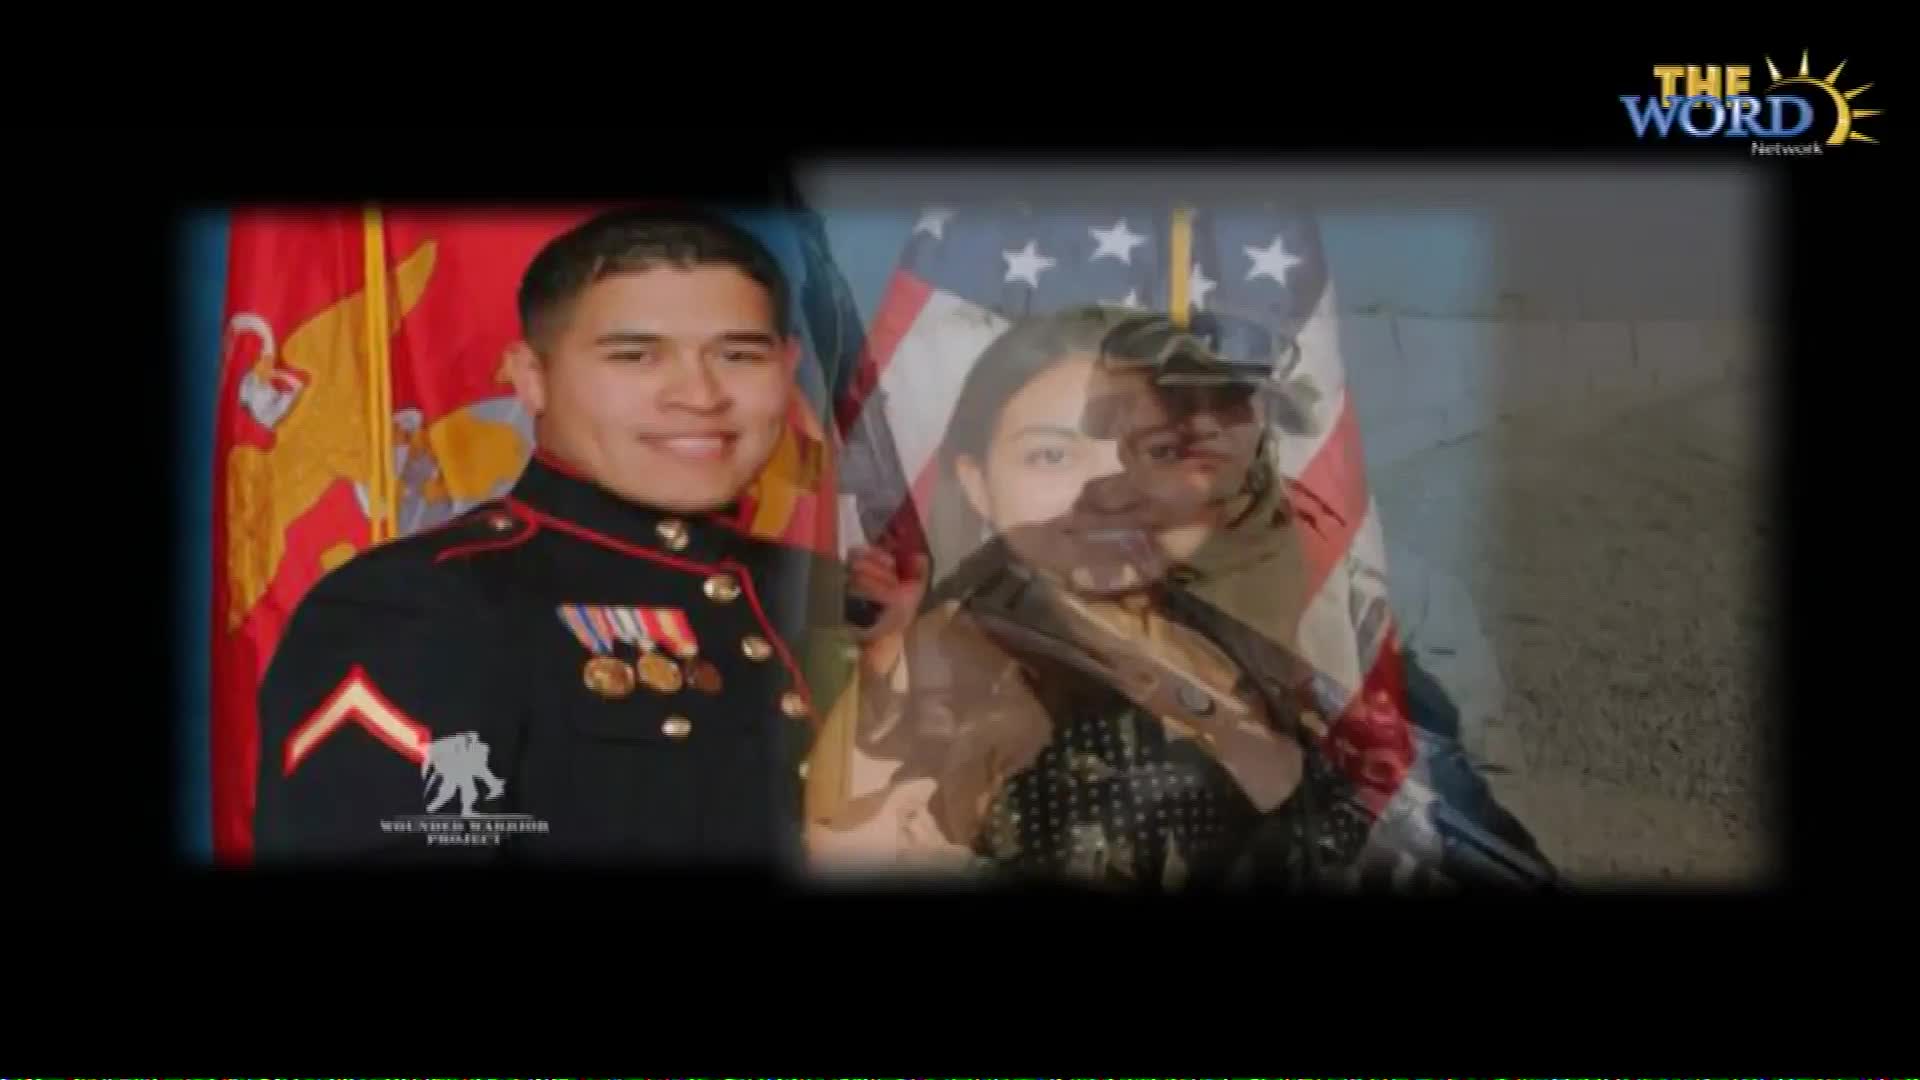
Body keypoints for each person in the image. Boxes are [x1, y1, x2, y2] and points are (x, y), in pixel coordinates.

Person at [803, 305, 1553, 890]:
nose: (1113, 489)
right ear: (975, 482)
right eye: (1052, 454)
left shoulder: (1193, 627)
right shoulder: (938, 672)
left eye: (1153, 452)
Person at [253, 206, 860, 865]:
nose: (700, 395)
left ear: (789, 365)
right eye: (636, 355)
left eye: (739, 354)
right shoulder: (416, 607)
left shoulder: (831, 596)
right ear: (530, 378)